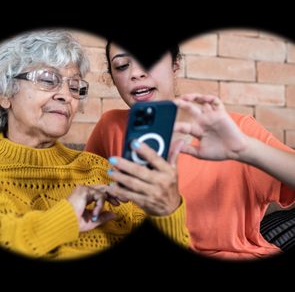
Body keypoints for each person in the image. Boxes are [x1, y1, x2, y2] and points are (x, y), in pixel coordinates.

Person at [85, 40, 295, 260]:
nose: (136, 73)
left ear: (175, 64)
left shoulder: (236, 129)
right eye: (121, 66)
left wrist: (245, 149)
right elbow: (84, 196)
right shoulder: (109, 127)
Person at [0, 30, 190, 261]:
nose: (65, 95)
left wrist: (167, 209)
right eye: (48, 79)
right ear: (5, 93)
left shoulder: (101, 171)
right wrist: (66, 217)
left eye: (74, 86)